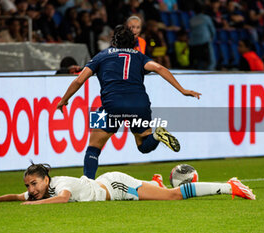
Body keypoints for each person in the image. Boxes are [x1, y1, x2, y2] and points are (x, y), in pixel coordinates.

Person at [56, 25, 201, 180]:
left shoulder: (101, 56)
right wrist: (182, 90)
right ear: (133, 42)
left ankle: (87, 183)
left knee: (93, 148)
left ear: (114, 41)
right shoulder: (139, 56)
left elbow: (79, 80)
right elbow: (159, 67)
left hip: (111, 106)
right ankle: (158, 135)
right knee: (144, 146)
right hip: (139, 104)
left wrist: (64, 100)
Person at [0, 163, 256, 205]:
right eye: (30, 186)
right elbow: (19, 195)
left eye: (34, 184)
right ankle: (153, 181)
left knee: (171, 197)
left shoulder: (59, 183)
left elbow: (61, 199)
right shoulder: (40, 190)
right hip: (109, 185)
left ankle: (230, 186)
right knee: (162, 192)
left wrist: (32, 208)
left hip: (116, 186)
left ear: (45, 178)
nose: (31, 189)